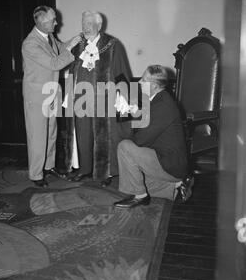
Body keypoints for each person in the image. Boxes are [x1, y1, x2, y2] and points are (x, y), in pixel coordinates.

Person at [64, 11, 132, 185]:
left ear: (99, 25)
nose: (85, 27)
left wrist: (123, 98)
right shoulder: (78, 45)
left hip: (105, 98)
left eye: (89, 23)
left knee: (104, 136)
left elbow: (122, 71)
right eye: (83, 22)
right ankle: (85, 169)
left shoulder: (112, 45)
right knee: (82, 134)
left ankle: (105, 173)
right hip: (81, 98)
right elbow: (70, 70)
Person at [114, 64, 191, 208]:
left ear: (155, 86)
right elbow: (149, 117)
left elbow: (140, 141)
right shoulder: (159, 98)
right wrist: (136, 110)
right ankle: (176, 187)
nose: (139, 83)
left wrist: (129, 118)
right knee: (134, 179)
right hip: (164, 158)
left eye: (143, 80)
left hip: (170, 163)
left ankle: (140, 196)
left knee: (124, 147)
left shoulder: (163, 106)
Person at [22, 5, 81, 187]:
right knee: (37, 135)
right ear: (40, 22)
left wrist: (74, 40)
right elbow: (54, 63)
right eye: (52, 20)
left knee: (51, 133)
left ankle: (48, 166)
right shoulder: (30, 43)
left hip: (51, 92)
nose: (57, 22)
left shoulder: (48, 37)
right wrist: (70, 51)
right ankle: (36, 174)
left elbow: (61, 48)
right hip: (37, 96)